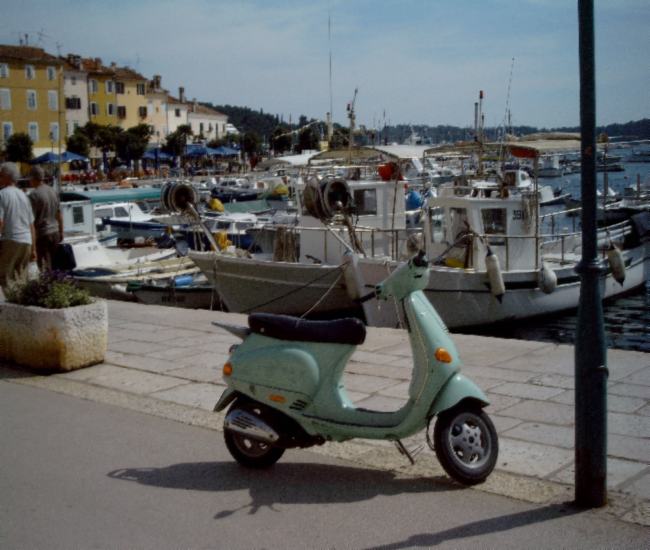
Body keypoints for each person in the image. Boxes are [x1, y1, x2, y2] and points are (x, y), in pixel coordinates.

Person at [0, 162, 36, 287]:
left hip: (11, 240)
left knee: (6, 278)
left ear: (5, 176)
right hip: (26, 240)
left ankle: (10, 306)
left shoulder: (2, 194)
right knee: (21, 279)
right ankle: (21, 304)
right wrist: (34, 249)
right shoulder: (24, 196)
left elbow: (0, 221)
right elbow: (31, 225)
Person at [28, 165, 63, 270]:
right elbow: (59, 213)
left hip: (43, 234)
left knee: (44, 267)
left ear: (33, 178)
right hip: (55, 231)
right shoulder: (53, 191)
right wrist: (61, 231)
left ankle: (49, 286)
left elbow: (31, 221)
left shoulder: (34, 195)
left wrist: (32, 244)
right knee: (55, 265)